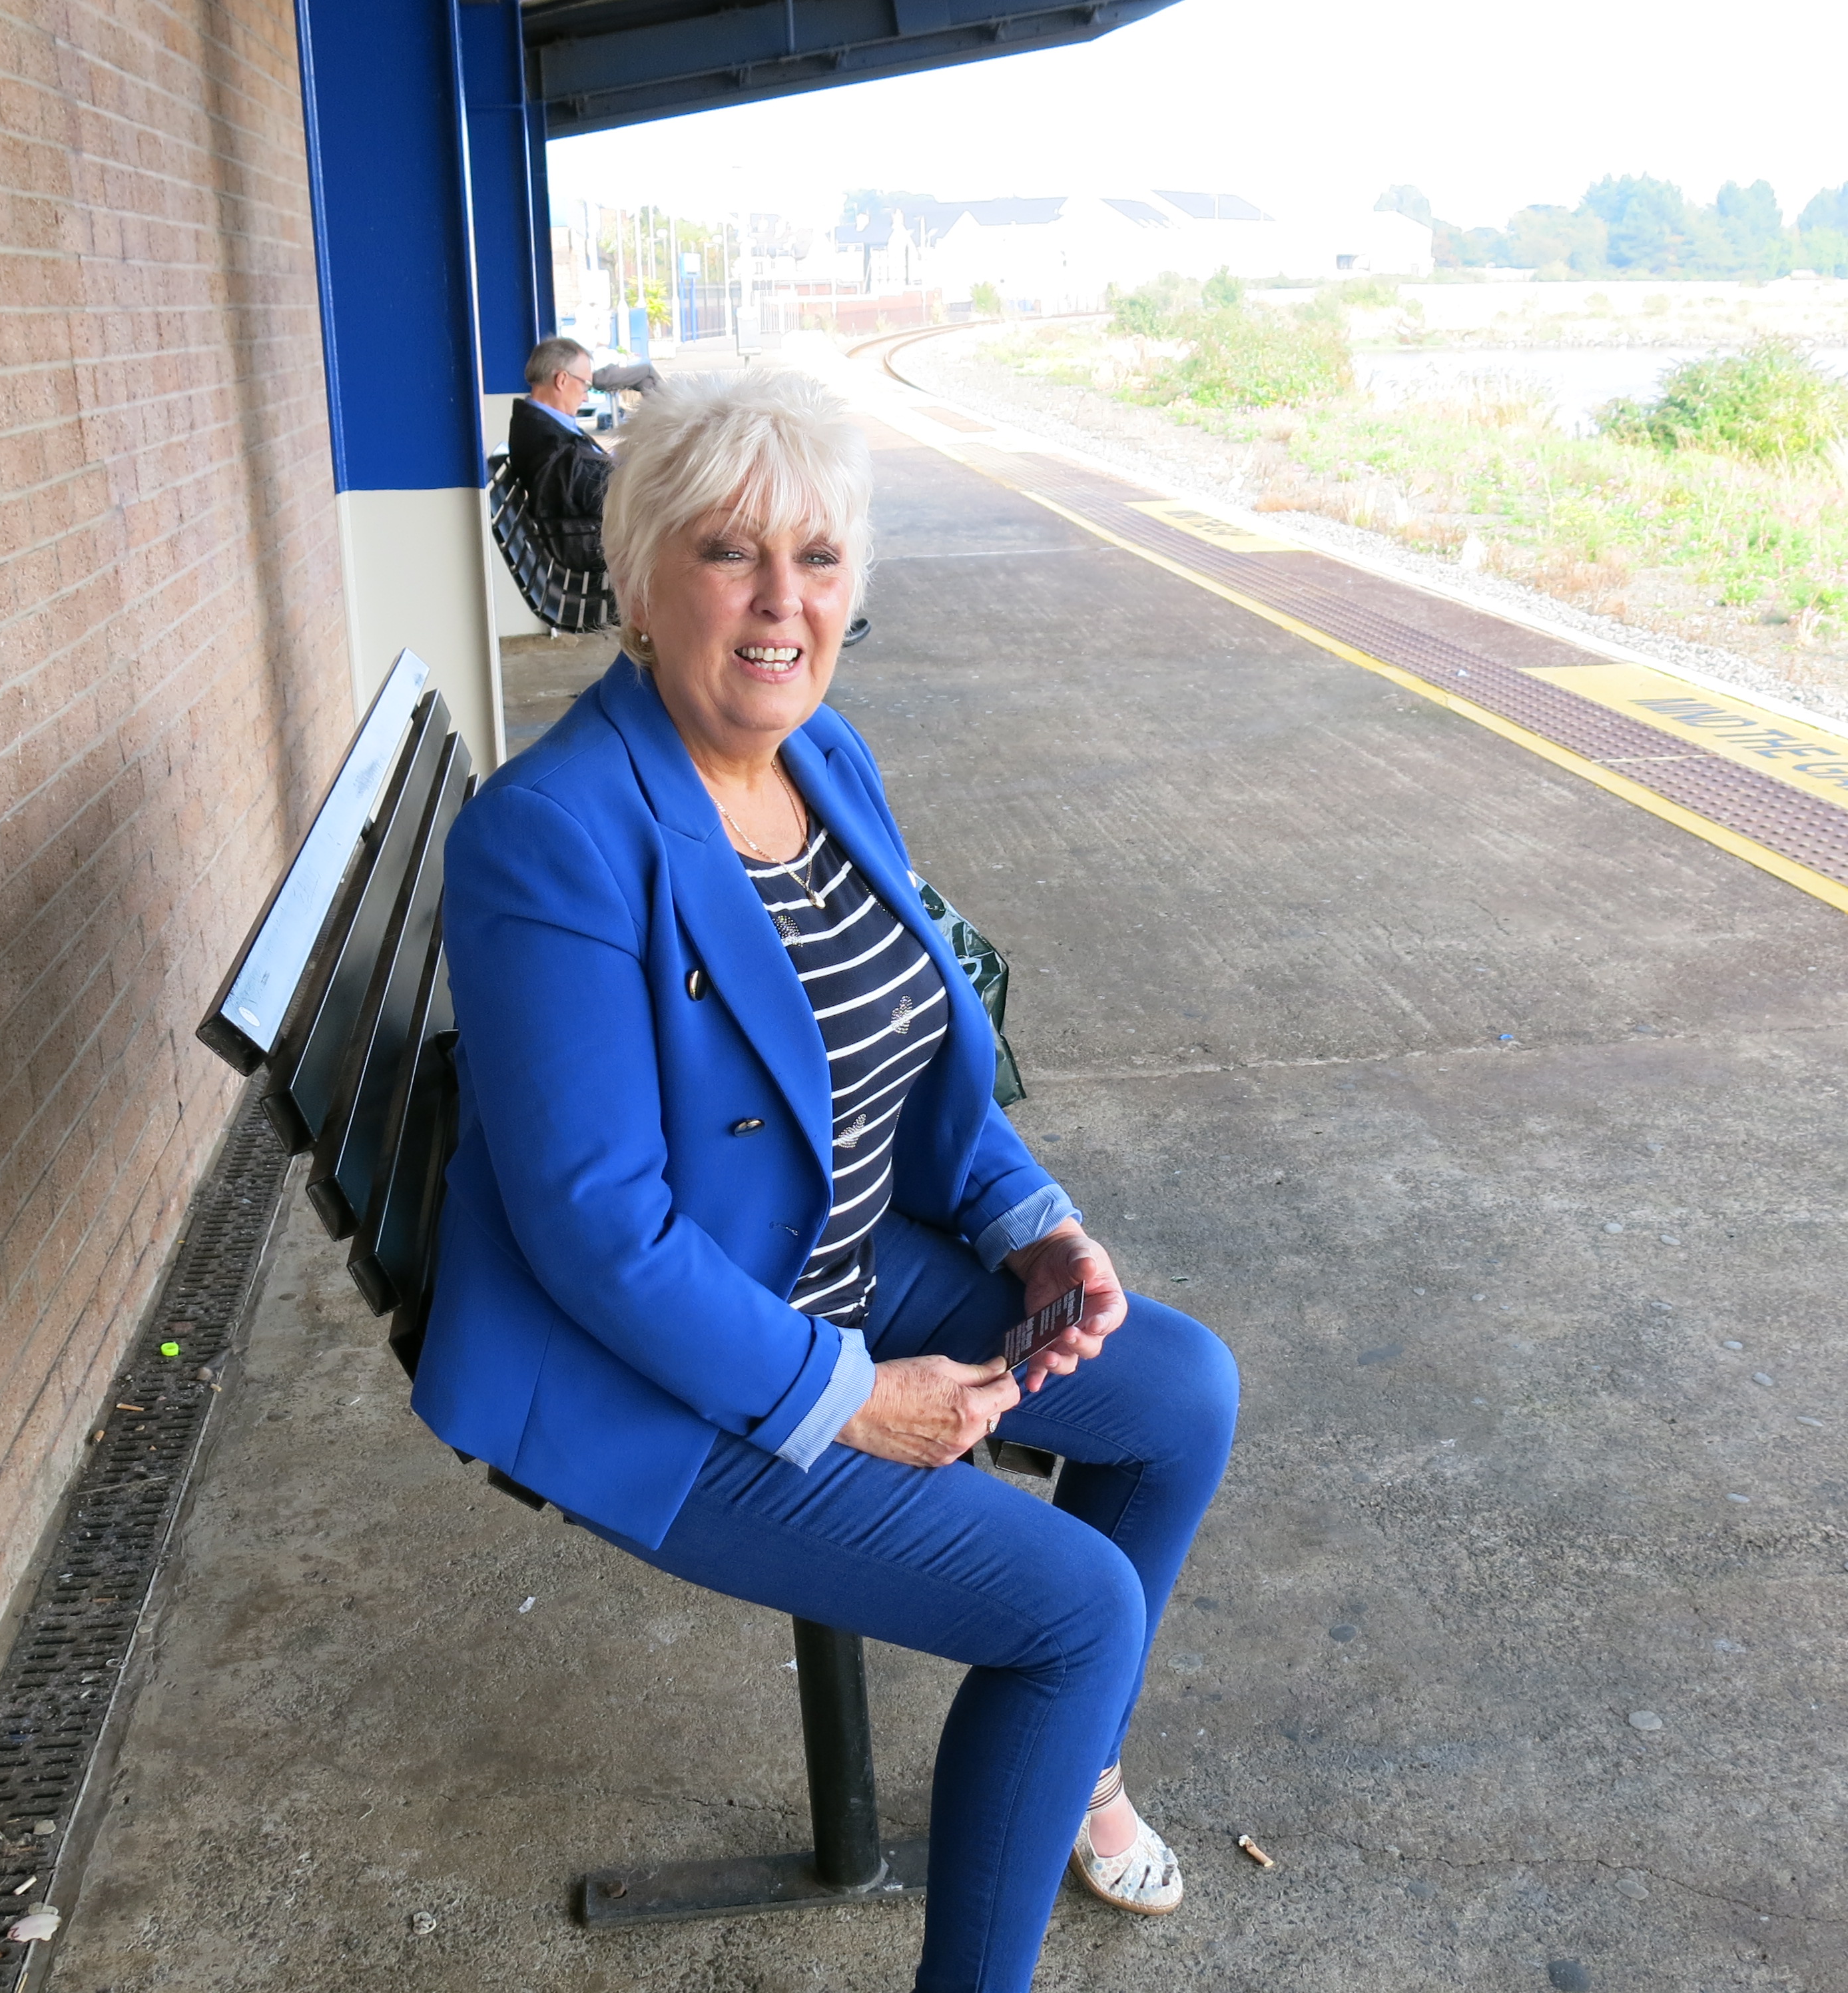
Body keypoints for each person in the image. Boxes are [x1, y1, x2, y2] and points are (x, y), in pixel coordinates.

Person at [413, 368, 1239, 1993]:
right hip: (662, 1372)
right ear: (640, 581)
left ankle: (1064, 1758)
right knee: (1074, 1609)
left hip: (832, 1252)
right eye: (728, 552)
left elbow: (910, 1053)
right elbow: (600, 1231)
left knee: (1179, 1393)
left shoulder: (823, 756)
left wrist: (1032, 1224)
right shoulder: (553, 834)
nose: (779, 600)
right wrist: (848, 1396)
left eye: (817, 557)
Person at [505, 336, 613, 569]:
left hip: (590, 532)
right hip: (590, 543)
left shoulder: (541, 424)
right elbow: (604, 495)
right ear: (562, 380)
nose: (585, 396)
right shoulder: (547, 439)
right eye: (585, 385)